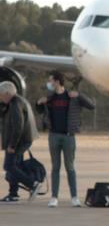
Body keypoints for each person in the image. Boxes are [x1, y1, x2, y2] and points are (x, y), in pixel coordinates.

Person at [35, 71, 95, 207]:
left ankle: (74, 197)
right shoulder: (50, 98)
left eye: (50, 81)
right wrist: (39, 102)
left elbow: (92, 105)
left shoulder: (72, 96)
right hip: (53, 136)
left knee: (70, 168)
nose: (49, 83)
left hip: (69, 137)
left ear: (57, 81)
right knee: (55, 167)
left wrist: (80, 95)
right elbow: (39, 111)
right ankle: (54, 198)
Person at [1, 81, 38, 202]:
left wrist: (12, 145)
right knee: (14, 166)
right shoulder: (17, 101)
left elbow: (18, 126)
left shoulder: (15, 103)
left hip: (18, 141)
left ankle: (33, 184)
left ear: (7, 93)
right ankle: (13, 194)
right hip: (22, 140)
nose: (0, 98)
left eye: (1, 95)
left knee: (9, 166)